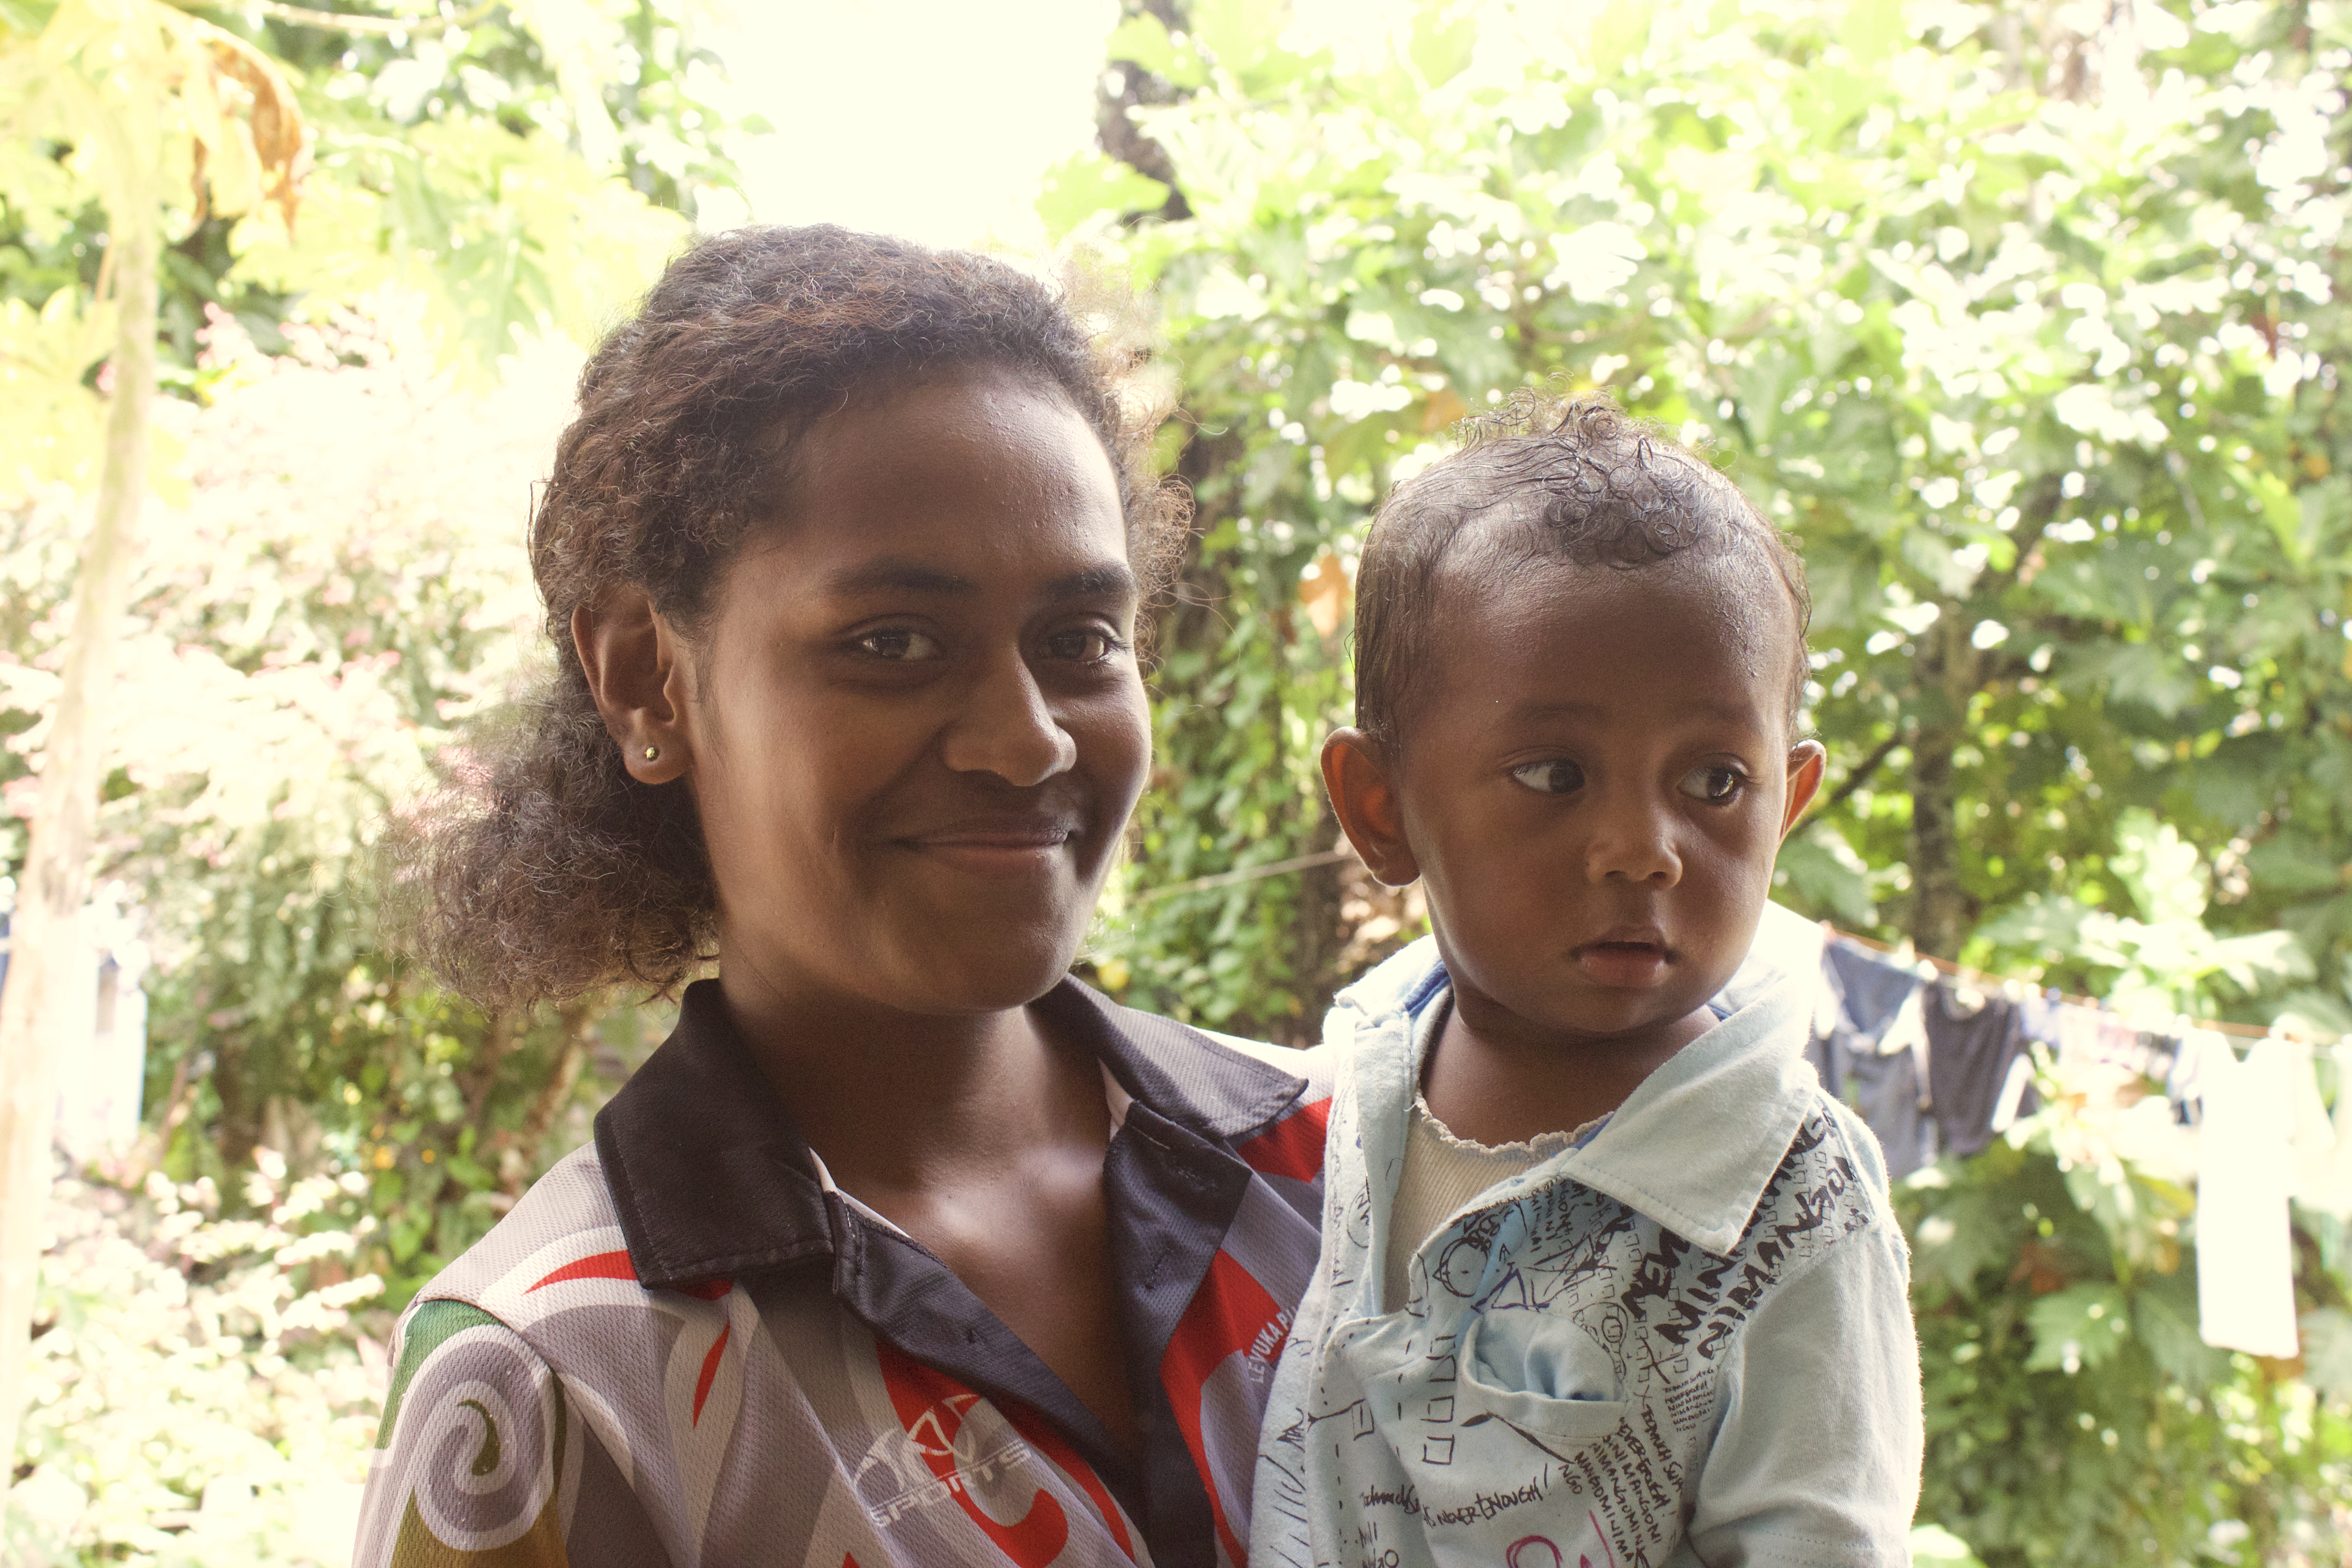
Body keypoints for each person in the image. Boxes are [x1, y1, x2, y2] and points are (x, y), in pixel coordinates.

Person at [354, 226, 1337, 1568]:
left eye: (1080, 642)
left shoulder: (1337, 1172)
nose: (1030, 738)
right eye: (892, 644)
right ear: (647, 676)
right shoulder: (561, 1385)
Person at [1250, 395, 1924, 1568]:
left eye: (1715, 783)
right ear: (1381, 809)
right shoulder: (1359, 1078)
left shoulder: (1791, 1206)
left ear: (1789, 807)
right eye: (1556, 773)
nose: (1644, 847)